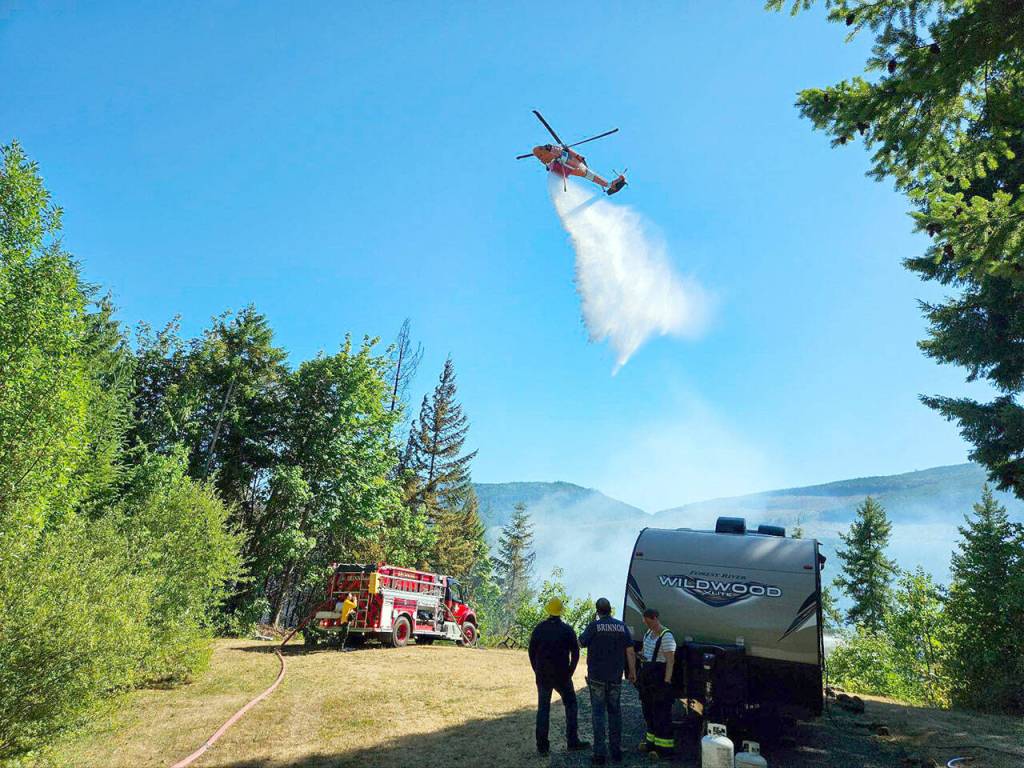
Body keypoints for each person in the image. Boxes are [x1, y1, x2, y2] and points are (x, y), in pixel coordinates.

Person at [528, 597, 591, 756]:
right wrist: (570, 671)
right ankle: (572, 741)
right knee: (571, 704)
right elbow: (576, 653)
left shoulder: (539, 629)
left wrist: (537, 670)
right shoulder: (567, 630)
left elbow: (531, 651)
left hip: (543, 675)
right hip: (562, 675)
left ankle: (542, 747)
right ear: (560, 612)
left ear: (548, 611)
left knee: (543, 709)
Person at [579, 598, 637, 765]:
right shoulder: (622, 626)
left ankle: (599, 755)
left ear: (598, 611)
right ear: (610, 609)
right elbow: (630, 651)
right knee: (615, 713)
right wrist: (632, 672)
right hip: (615, 678)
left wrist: (592, 624)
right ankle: (616, 752)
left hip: (596, 677)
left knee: (598, 714)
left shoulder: (594, 626)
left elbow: (580, 643)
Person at [637, 607, 676, 758]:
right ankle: (650, 743)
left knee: (661, 714)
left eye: (648, 622)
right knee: (648, 712)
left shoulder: (667, 636)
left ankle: (663, 749)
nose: (646, 624)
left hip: (660, 680)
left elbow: (670, 661)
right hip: (647, 679)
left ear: (655, 619)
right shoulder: (648, 633)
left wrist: (667, 682)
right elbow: (644, 651)